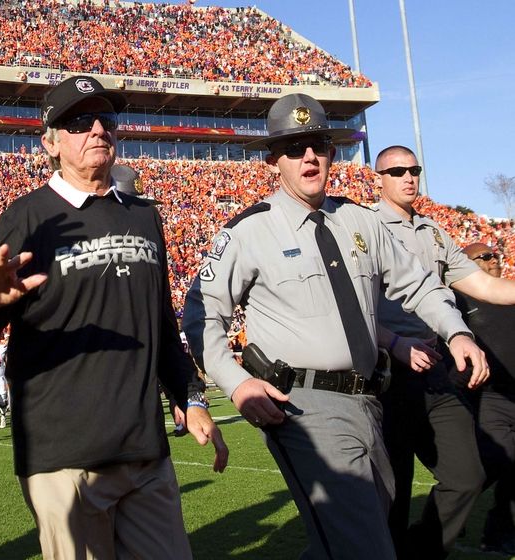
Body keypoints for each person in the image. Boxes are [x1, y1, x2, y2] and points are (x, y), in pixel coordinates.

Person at [182, 93, 488, 560]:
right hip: (302, 405)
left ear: (332, 153)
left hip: (370, 400)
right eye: (294, 147)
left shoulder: (361, 221)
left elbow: (420, 284)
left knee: (352, 538)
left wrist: (457, 331)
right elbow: (202, 313)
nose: (309, 156)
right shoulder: (249, 231)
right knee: (365, 545)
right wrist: (238, 384)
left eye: (319, 145)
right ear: (273, 162)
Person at [0, 75, 228, 559]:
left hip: (144, 447)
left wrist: (191, 395)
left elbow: (162, 324)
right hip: (64, 455)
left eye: (107, 118)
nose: (99, 129)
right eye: (80, 121)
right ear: (51, 143)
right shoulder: (28, 217)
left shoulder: (144, 216)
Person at [373, 145, 515, 559]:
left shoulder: (433, 231)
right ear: (377, 178)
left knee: (467, 475)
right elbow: (352, 306)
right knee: (393, 492)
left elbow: (484, 285)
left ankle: (421, 551)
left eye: (414, 169)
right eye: (397, 170)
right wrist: (393, 343)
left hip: (434, 370)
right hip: (387, 372)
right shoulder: (362, 226)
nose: (408, 177)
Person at [450, 243, 515, 555]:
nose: (494, 260)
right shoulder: (458, 300)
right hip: (486, 396)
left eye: (496, 255)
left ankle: (498, 532)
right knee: (496, 461)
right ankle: (451, 515)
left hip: (513, 394)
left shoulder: (510, 294)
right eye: (485, 256)